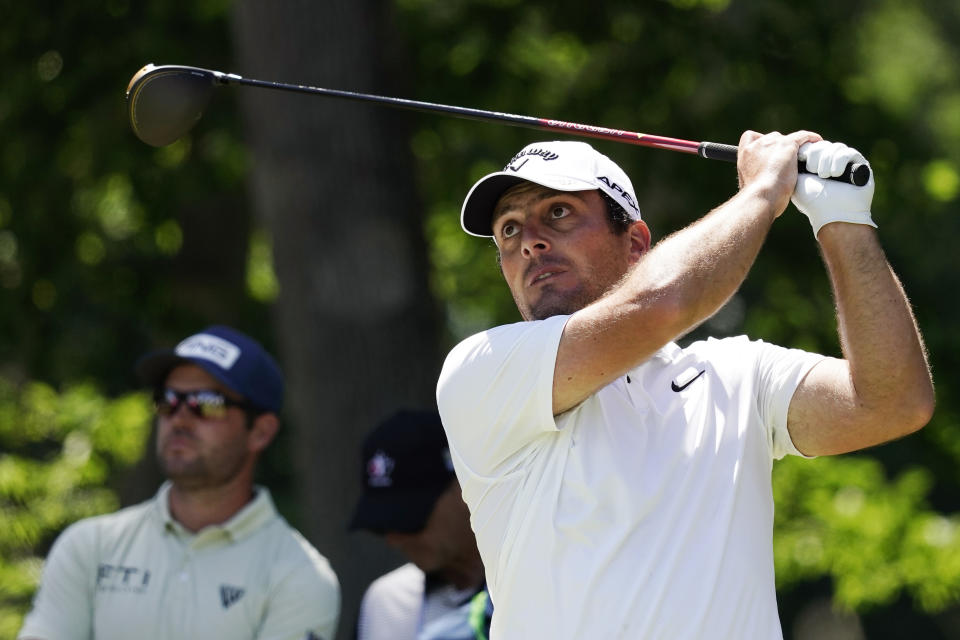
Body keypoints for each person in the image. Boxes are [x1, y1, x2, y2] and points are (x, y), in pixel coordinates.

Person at [436, 133, 934, 639]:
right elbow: (663, 304)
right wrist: (762, 190)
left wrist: (842, 221)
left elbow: (892, 402)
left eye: (558, 213)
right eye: (509, 230)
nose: (530, 241)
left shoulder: (735, 373)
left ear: (634, 244)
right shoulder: (482, 370)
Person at [18, 325, 341, 640]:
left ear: (261, 431)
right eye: (167, 400)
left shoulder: (300, 575)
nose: (180, 418)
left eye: (206, 403)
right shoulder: (89, 546)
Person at [349, 409, 490, 640]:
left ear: (464, 486)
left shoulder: (533, 585)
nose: (393, 539)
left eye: (407, 517)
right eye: (381, 526)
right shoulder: (385, 603)